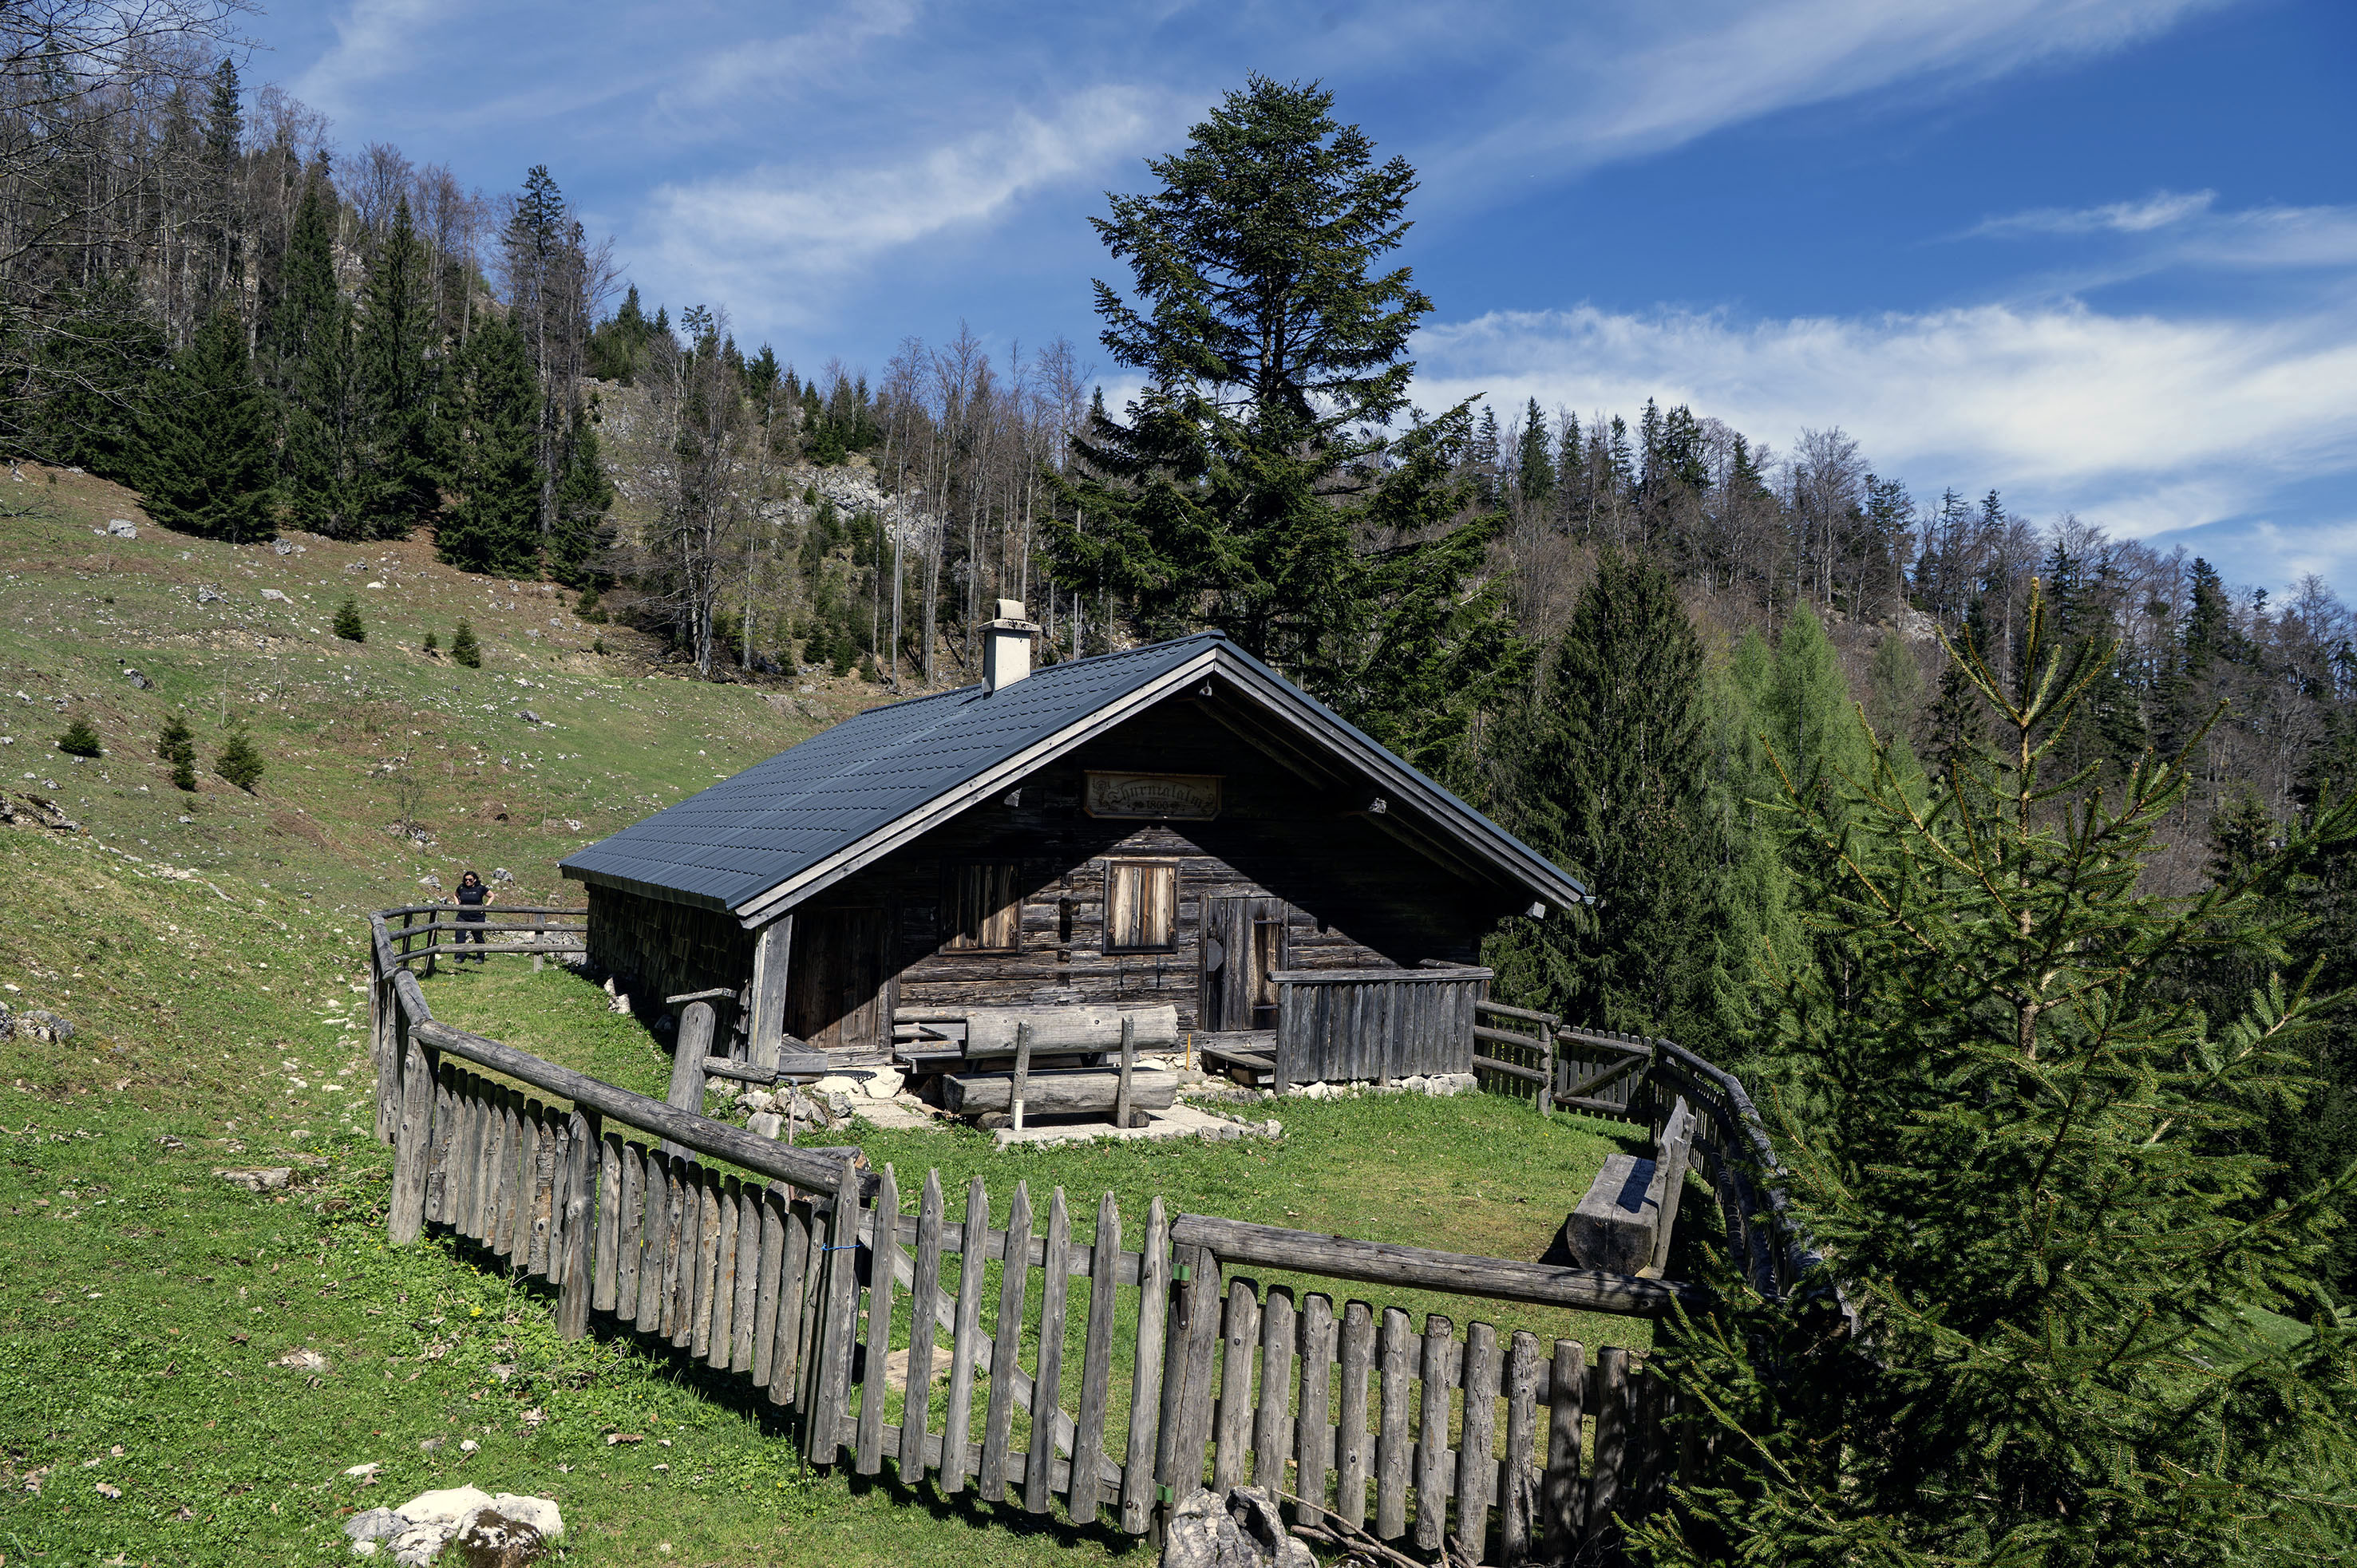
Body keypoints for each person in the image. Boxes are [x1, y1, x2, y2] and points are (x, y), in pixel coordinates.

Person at [451, 870, 491, 962]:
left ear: (475, 880)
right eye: (466, 880)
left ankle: (480, 956)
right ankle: (460, 956)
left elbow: (492, 896)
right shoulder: (461, 887)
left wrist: (485, 907)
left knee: (478, 936)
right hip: (463, 915)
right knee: (460, 935)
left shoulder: (480, 888)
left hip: (477, 916)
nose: (467, 881)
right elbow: (455, 895)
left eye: (470, 880)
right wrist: (458, 905)